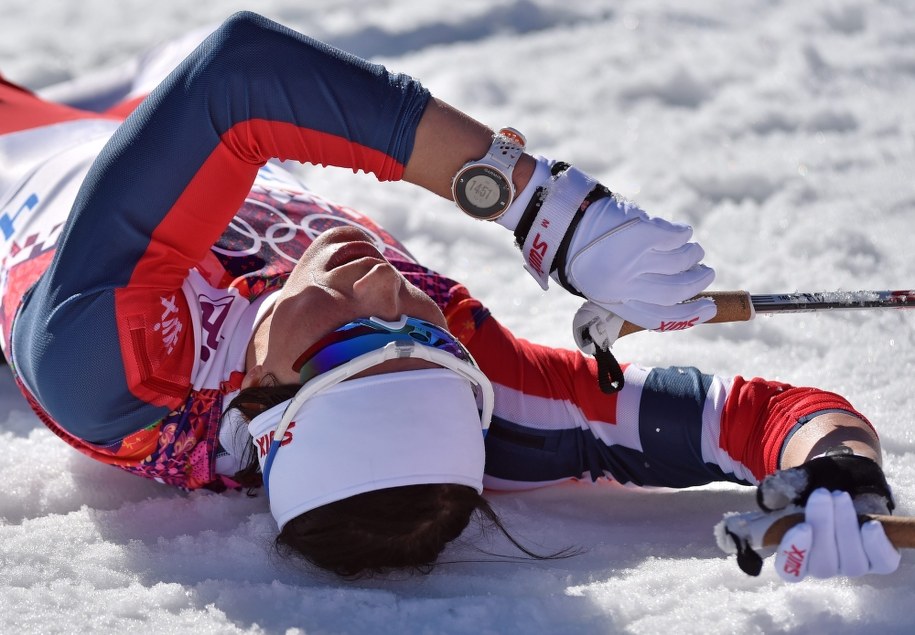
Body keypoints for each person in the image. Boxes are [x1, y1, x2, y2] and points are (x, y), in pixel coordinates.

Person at [0, 12, 899, 581]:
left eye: (355, 346)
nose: (387, 290)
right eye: (426, 339)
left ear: (265, 403)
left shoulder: (119, 371)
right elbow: (757, 417)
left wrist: (545, 206)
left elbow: (236, 78)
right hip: (154, 128)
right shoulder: (488, 396)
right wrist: (837, 474)